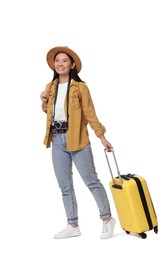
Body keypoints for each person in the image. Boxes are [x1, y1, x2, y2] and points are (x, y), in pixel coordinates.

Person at [40, 46, 116, 239]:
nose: (60, 63)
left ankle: (107, 219)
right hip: (57, 138)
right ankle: (72, 225)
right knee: (64, 185)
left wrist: (102, 137)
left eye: (64, 60)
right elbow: (48, 112)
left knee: (91, 181)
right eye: (57, 60)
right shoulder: (50, 87)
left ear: (72, 64)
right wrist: (44, 101)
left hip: (78, 139)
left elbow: (90, 114)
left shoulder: (80, 87)